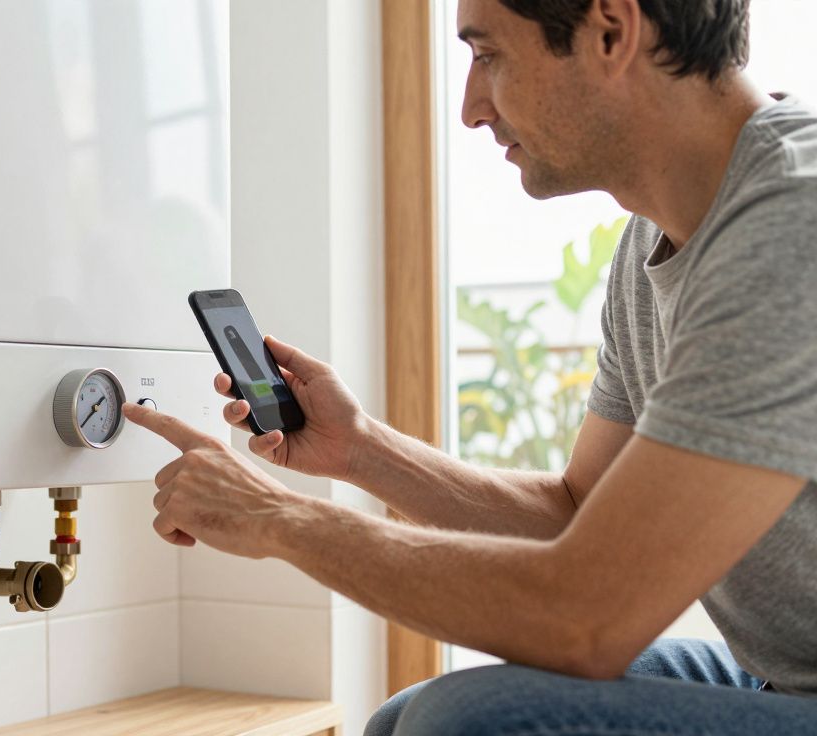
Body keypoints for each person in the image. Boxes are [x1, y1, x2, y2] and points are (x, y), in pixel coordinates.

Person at [120, 0, 817, 733]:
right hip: (786, 676)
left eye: (488, 57)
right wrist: (362, 452)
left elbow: (584, 618)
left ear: (611, 32)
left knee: (469, 722)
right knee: (403, 719)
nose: (469, 108)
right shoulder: (652, 246)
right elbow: (575, 519)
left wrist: (276, 519)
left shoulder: (790, 226)